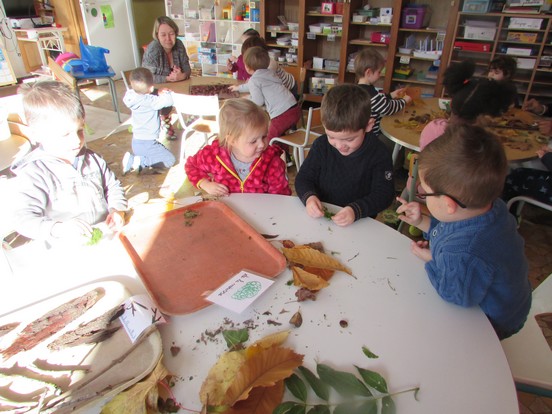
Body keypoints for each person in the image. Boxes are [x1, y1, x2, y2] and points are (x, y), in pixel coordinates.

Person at [396, 124, 531, 340]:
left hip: (492, 321)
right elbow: (450, 230)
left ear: (449, 205)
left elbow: (454, 295)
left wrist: (434, 261)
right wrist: (422, 221)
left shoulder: (465, 252)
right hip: (510, 298)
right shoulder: (489, 207)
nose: (423, 195)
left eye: (427, 192)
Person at [10, 81, 127, 244]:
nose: (76, 140)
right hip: (64, 244)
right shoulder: (33, 173)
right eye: (65, 134)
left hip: (105, 235)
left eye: (80, 131)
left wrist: (117, 209)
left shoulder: (92, 159)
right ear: (36, 134)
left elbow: (113, 187)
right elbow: (23, 219)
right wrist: (58, 229)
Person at [295, 84, 395, 227]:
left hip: (359, 221)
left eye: (349, 139)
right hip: (322, 218)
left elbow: (384, 194)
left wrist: (356, 210)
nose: (340, 145)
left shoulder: (379, 153)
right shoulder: (321, 145)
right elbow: (303, 178)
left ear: (368, 125)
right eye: (331, 137)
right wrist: (309, 197)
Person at [185, 98, 291, 196]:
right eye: (253, 141)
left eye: (264, 137)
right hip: (227, 210)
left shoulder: (271, 162)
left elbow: (281, 195)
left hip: (260, 212)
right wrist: (206, 184)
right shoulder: (214, 155)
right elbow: (191, 166)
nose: (262, 144)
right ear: (232, 140)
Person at [231, 46, 301, 141]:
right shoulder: (269, 73)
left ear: (247, 67)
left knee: (268, 139)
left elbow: (258, 102)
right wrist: (238, 88)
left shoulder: (254, 80)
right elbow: (251, 85)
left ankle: (275, 154)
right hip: (295, 109)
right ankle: (283, 153)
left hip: (282, 115)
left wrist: (246, 98)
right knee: (279, 137)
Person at [122, 67, 176, 175]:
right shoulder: (150, 101)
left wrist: (156, 91)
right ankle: (138, 161)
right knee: (170, 161)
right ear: (151, 88)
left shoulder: (131, 95)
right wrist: (166, 93)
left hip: (136, 141)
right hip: (148, 143)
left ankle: (138, 160)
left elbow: (148, 95)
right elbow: (169, 101)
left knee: (159, 154)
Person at [354, 48, 411, 135]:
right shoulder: (369, 93)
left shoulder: (359, 88)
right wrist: (404, 101)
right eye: (379, 72)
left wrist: (390, 95)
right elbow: (387, 108)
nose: (380, 75)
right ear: (368, 72)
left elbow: (378, 102)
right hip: (370, 135)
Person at [230, 36, 297, 98]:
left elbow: (262, 87)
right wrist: (239, 87)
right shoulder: (257, 64)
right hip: (276, 88)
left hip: (289, 88)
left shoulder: (270, 65)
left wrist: (250, 93)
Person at [142, 16, 191, 84]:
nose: (168, 38)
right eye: (163, 35)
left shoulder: (179, 44)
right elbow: (146, 77)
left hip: (178, 86)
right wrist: (167, 78)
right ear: (157, 35)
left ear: (176, 34)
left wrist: (183, 76)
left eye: (171, 34)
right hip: (158, 89)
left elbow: (187, 68)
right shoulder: (152, 49)